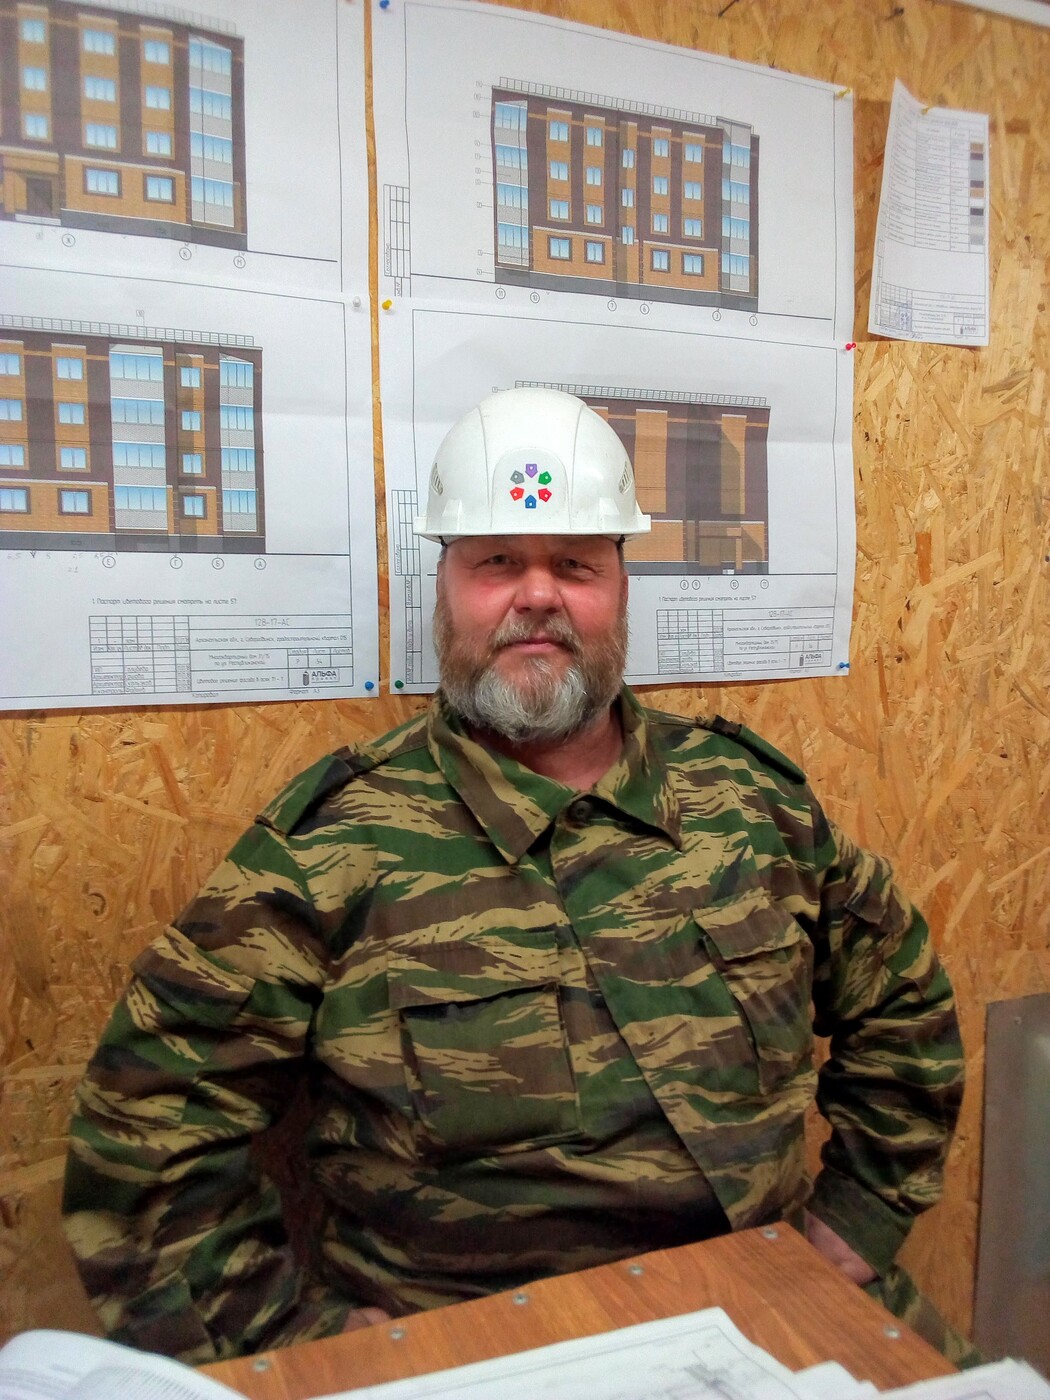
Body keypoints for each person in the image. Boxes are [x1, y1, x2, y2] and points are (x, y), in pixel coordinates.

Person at [63, 388, 967, 1366]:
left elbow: (901, 996)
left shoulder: (749, 802)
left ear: (621, 587)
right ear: (445, 589)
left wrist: (863, 1213)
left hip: (768, 1310)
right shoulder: (335, 849)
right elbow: (144, 1127)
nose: (538, 594)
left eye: (575, 563)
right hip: (486, 1353)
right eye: (496, 561)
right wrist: (300, 1343)